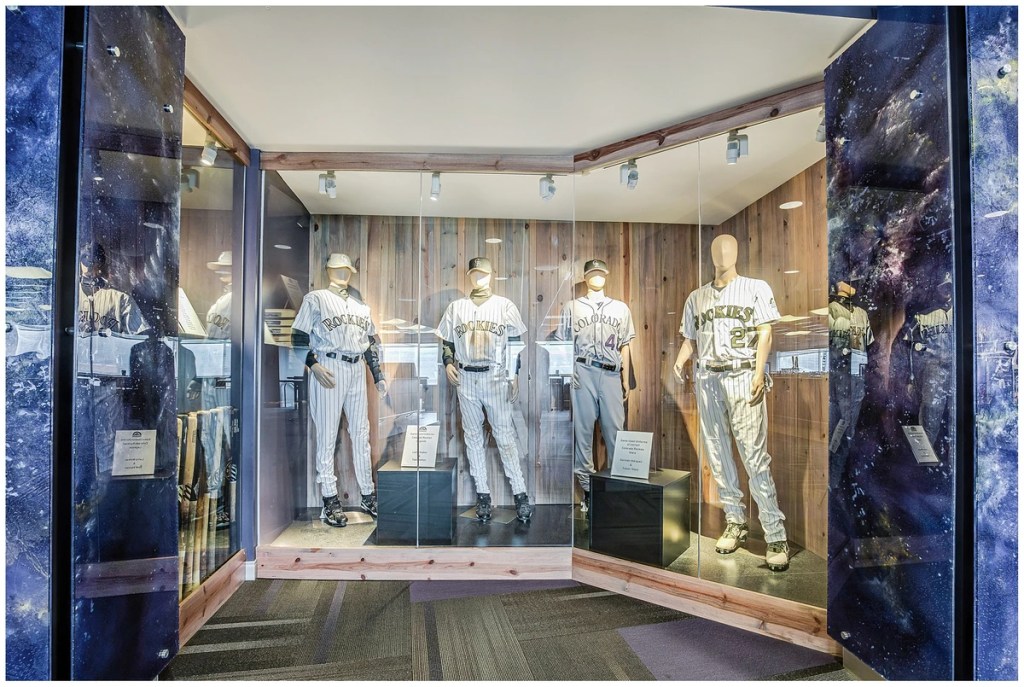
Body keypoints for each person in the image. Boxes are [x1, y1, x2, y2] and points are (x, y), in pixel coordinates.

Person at [673, 234, 789, 572]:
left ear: (737, 253)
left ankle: (774, 533)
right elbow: (690, 340)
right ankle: (735, 521)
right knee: (718, 454)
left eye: (729, 248)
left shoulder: (755, 287)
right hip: (708, 376)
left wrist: (759, 370)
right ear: (710, 254)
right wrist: (680, 361)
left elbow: (765, 332)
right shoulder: (697, 297)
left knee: (754, 456)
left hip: (742, 373)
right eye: (717, 249)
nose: (722, 253)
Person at [292, 253, 388, 527]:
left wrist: (378, 375)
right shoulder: (316, 298)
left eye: (346, 269)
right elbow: (298, 335)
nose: (342, 273)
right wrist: (313, 365)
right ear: (328, 269)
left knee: (362, 433)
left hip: (356, 367)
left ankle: (368, 493)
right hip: (329, 365)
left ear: (351, 272)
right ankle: (329, 498)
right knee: (327, 433)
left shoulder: (361, 307)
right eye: (337, 268)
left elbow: (369, 343)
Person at [436, 257, 533, 523]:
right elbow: (447, 342)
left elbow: (515, 344)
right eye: (475, 273)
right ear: (468, 275)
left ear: (491, 274)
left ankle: (521, 494)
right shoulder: (456, 308)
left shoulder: (505, 306)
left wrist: (514, 375)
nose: (479, 277)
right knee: (473, 438)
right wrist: (447, 363)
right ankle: (483, 495)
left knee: (505, 436)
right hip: (465, 377)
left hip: (495, 375)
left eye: (484, 273)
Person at [556, 258, 636, 510]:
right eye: (593, 273)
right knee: (583, 433)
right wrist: (570, 372)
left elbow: (625, 345)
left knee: (616, 432)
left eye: (601, 272)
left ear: (607, 275)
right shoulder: (572, 306)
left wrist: (625, 378)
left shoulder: (620, 308)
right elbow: (562, 344)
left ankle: (614, 489)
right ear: (586, 277)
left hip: (612, 372)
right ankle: (589, 491)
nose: (597, 276)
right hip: (583, 369)